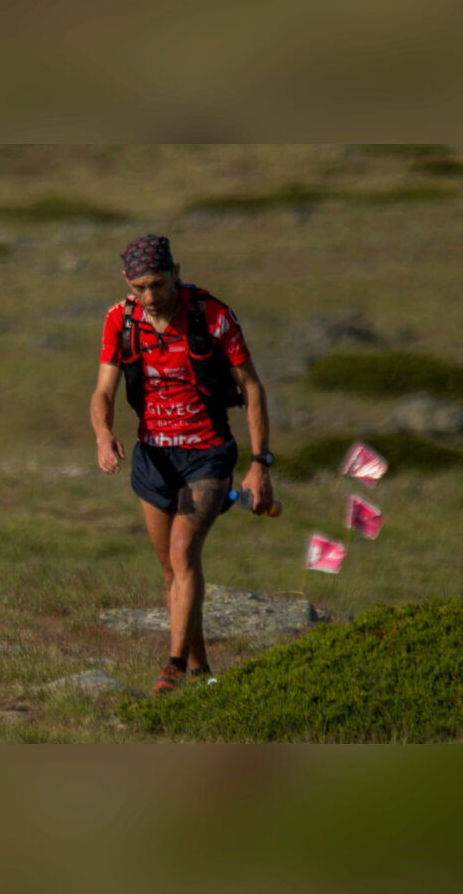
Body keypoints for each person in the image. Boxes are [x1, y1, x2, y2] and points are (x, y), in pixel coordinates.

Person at [90, 235, 275, 696]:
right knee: (172, 574)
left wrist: (259, 465)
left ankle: (171, 669)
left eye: (157, 284)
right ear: (126, 284)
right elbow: (104, 392)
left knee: (183, 553)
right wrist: (102, 433)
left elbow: (252, 387)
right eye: (139, 288)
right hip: (152, 456)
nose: (150, 297)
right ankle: (201, 672)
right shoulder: (120, 319)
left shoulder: (211, 316)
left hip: (207, 453)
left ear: (176, 270)